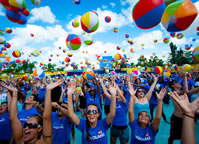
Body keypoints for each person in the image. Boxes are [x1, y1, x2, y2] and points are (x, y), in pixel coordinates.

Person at [1, 79, 64, 144]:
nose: (26, 128)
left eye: (32, 125)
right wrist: (14, 94)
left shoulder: (45, 142)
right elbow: (12, 118)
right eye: (25, 125)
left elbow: (46, 118)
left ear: (39, 128)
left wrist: (48, 91)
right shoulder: (20, 140)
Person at [99, 76, 129, 144]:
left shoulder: (125, 102)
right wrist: (102, 83)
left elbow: (121, 95)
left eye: (119, 93)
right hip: (114, 127)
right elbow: (106, 93)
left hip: (124, 128)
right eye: (117, 93)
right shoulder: (113, 100)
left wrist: (115, 85)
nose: (118, 94)